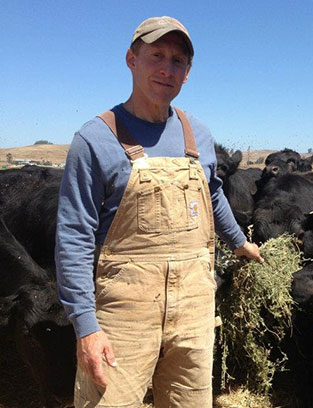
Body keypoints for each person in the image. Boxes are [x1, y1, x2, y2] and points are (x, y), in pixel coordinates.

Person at [55, 16, 263, 408]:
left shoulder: (197, 133)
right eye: (156, 56)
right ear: (131, 59)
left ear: (188, 73)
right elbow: (74, 236)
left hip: (195, 310)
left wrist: (239, 243)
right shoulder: (94, 139)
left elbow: (212, 195)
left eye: (178, 60)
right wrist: (86, 327)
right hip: (123, 315)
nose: (167, 69)